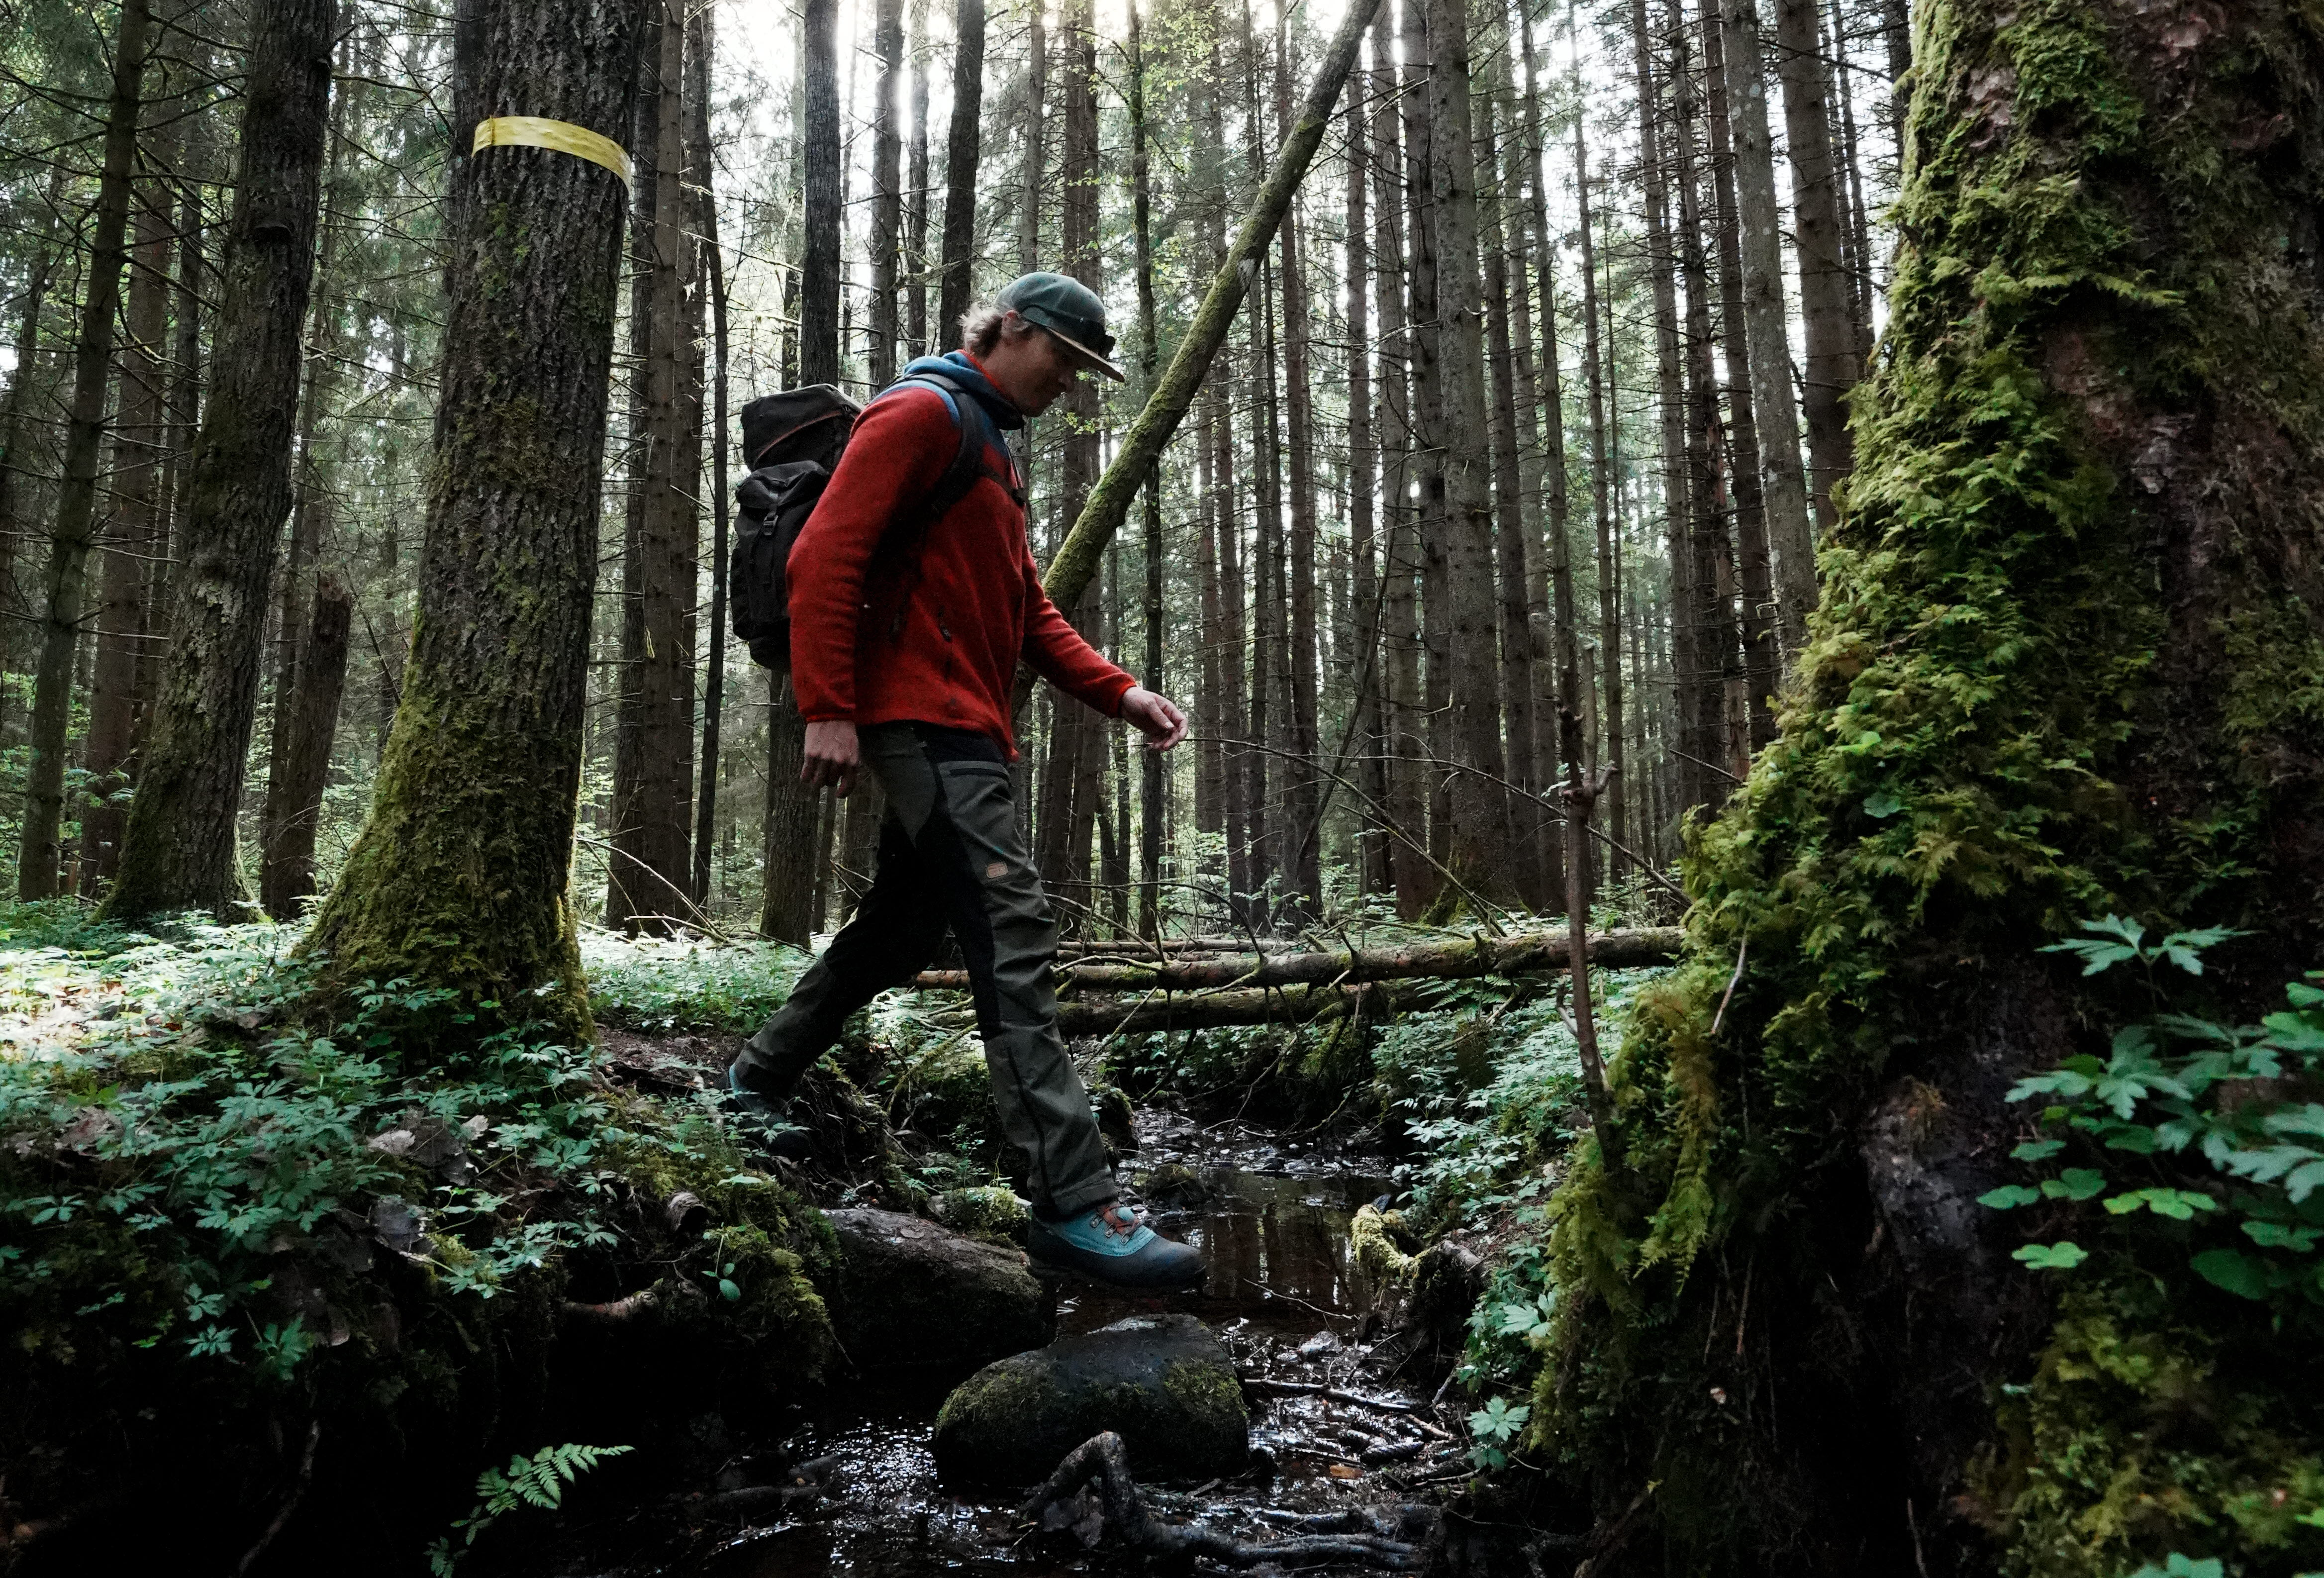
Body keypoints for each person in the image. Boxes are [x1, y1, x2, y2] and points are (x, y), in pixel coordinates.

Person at [728, 272, 1204, 1290]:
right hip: (922, 725)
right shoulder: (921, 411)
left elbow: (1029, 613)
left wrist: (1124, 695)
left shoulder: (990, 450)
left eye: (1082, 373)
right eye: (1062, 362)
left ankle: (754, 1079)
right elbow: (825, 559)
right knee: (1011, 931)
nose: (1068, 385)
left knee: (902, 928)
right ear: (1012, 331)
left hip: (969, 729)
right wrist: (827, 706)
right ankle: (1072, 1202)